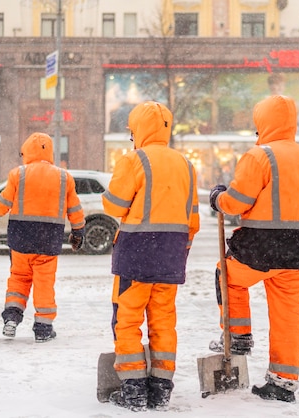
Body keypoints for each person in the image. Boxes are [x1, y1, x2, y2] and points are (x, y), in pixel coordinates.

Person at [208, 95, 299, 403]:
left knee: (227, 276)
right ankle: (284, 380)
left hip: (260, 247)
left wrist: (218, 197)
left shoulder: (260, 155)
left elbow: (237, 201)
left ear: (262, 122)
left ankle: (239, 336)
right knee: (288, 314)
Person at [102, 101, 200, 411]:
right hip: (171, 254)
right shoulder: (186, 165)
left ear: (138, 131)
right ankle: (161, 386)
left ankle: (133, 388)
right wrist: (179, 249)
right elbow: (192, 219)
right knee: (163, 320)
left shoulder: (133, 160)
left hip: (136, 253)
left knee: (128, 320)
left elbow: (115, 206)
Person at [0, 132, 85, 343]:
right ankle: (43, 327)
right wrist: (78, 230)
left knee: (19, 278)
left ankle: (12, 317)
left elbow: (3, 202)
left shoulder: (18, 174)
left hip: (21, 238)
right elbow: (74, 208)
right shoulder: (63, 177)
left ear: (26, 152)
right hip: (48, 240)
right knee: (44, 282)